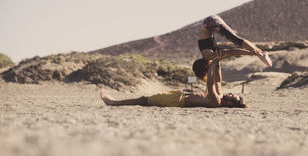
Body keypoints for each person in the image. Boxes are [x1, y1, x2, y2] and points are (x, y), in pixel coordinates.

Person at [100, 58, 247, 108]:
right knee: (145, 99)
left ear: (230, 104)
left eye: (232, 97)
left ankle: (114, 103)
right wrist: (218, 63)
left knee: (144, 99)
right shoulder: (220, 96)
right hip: (179, 95)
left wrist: (211, 67)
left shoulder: (216, 101)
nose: (230, 93)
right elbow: (218, 80)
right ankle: (114, 102)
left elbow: (210, 83)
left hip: (177, 101)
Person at [198, 15, 272, 67]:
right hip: (210, 21)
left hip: (211, 23)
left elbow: (231, 52)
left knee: (236, 40)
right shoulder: (209, 53)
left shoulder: (209, 56)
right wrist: (250, 53)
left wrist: (250, 53)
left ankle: (261, 54)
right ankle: (261, 53)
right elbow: (231, 52)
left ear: (205, 65)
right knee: (236, 39)